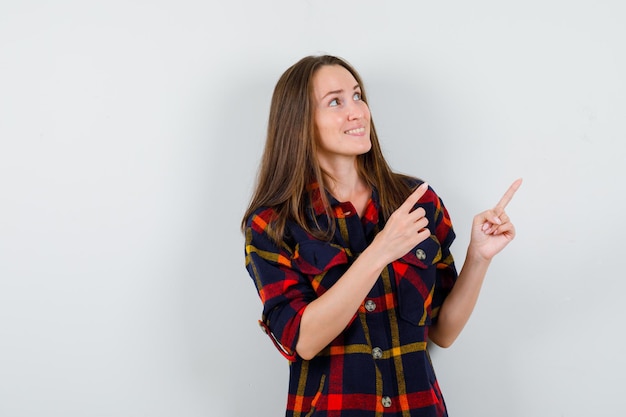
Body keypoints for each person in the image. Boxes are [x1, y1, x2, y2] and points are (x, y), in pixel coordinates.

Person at [241, 54, 521, 417]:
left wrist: (479, 257)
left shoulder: (417, 201)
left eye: (358, 96)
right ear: (299, 124)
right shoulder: (273, 224)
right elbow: (303, 340)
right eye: (335, 102)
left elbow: (444, 332)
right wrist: (381, 250)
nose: (357, 111)